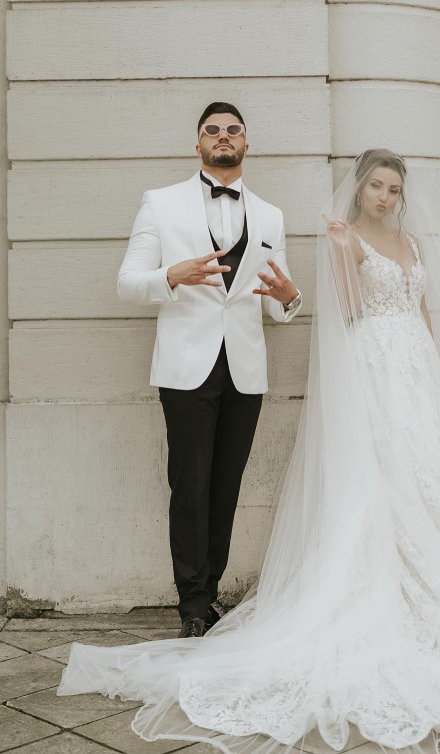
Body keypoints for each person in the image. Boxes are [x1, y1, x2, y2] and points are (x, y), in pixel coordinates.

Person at [58, 149, 440, 754]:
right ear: (359, 190)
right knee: (376, 479)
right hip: (375, 368)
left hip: (414, 368)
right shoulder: (345, 238)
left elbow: (423, 309)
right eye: (376, 186)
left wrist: (437, 367)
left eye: (393, 188)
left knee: (430, 474)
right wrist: (337, 254)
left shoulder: (414, 243)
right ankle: (212, 598)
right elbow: (351, 312)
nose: (384, 196)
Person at [115, 101, 302, 638]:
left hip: (245, 370)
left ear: (247, 143)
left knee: (226, 488)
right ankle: (192, 606)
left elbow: (276, 304)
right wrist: (169, 276)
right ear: (197, 144)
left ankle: (211, 595)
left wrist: (291, 299)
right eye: (212, 130)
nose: (224, 136)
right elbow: (127, 282)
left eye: (233, 130)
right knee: (190, 486)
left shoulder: (270, 216)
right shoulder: (160, 203)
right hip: (186, 368)